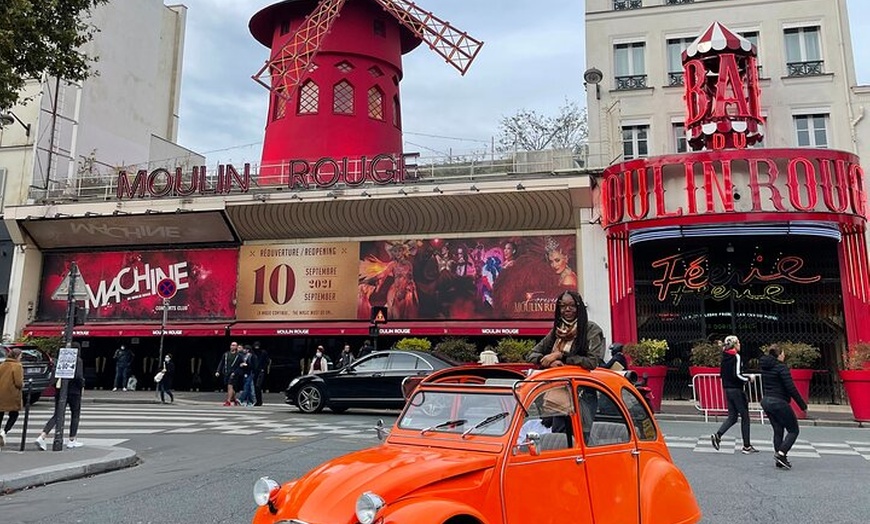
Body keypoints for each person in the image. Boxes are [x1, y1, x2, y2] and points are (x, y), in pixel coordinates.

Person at [526, 290, 605, 370]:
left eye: (572, 305)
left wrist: (561, 356)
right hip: (554, 377)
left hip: (577, 379)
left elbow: (592, 362)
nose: (567, 309)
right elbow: (531, 355)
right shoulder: (557, 331)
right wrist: (548, 361)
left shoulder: (591, 329)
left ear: (579, 308)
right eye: (563, 306)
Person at [760, 344, 807, 470]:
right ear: (779, 355)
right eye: (783, 353)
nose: (784, 356)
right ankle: (781, 453)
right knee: (793, 430)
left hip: (766, 400)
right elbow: (790, 387)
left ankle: (779, 458)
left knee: (778, 429)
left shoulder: (765, 367)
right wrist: (802, 405)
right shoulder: (781, 368)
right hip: (779, 401)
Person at [711, 335, 759, 454]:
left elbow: (723, 374)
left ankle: (718, 435)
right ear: (734, 344)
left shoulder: (725, 357)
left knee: (732, 417)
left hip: (728, 389)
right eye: (738, 342)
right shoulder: (736, 357)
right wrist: (748, 379)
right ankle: (746, 446)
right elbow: (737, 374)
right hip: (737, 390)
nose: (739, 345)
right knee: (745, 417)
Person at [36, 352, 85, 450]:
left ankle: (43, 435)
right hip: (74, 391)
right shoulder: (77, 360)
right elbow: (79, 376)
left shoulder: (61, 358)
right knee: (75, 414)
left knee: (58, 414)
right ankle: (72, 440)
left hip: (60, 390)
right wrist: (82, 386)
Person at [0, 347, 24, 448]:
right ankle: (5, 431)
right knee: (14, 414)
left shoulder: (2, 365)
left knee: (0, 414)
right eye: (21, 356)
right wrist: (23, 384)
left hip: (1, 393)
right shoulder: (17, 366)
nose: (21, 358)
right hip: (12, 394)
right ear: (17, 356)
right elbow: (18, 382)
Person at [215, 341, 242, 406]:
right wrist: (218, 371)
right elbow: (221, 363)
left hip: (233, 373)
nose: (233, 346)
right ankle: (234, 399)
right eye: (232, 345)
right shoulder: (226, 354)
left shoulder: (239, 356)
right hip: (226, 372)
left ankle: (228, 401)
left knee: (230, 386)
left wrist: (235, 372)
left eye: (234, 345)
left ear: (236, 347)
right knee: (230, 387)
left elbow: (240, 366)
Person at [253, 341, 269, 406]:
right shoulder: (253, 353)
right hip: (255, 371)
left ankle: (259, 401)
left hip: (261, 371)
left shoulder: (263, 352)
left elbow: (267, 361)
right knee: (255, 386)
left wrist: (263, 368)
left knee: (258, 386)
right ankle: (258, 401)